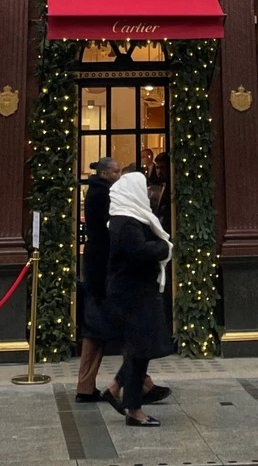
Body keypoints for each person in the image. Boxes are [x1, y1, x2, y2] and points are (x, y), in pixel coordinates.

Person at [103, 169, 173, 427]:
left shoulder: (127, 218)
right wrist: (164, 247)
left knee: (139, 350)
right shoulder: (128, 222)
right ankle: (134, 409)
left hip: (135, 291)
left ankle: (118, 390)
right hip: (133, 293)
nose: (147, 193)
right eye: (143, 188)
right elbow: (139, 252)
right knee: (139, 350)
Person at [75, 156, 118, 402]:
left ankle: (86, 385)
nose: (118, 175)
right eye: (115, 171)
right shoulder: (103, 196)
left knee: (97, 330)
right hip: (102, 269)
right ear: (104, 174)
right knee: (104, 329)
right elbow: (106, 231)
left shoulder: (96, 192)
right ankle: (140, 383)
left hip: (96, 266)